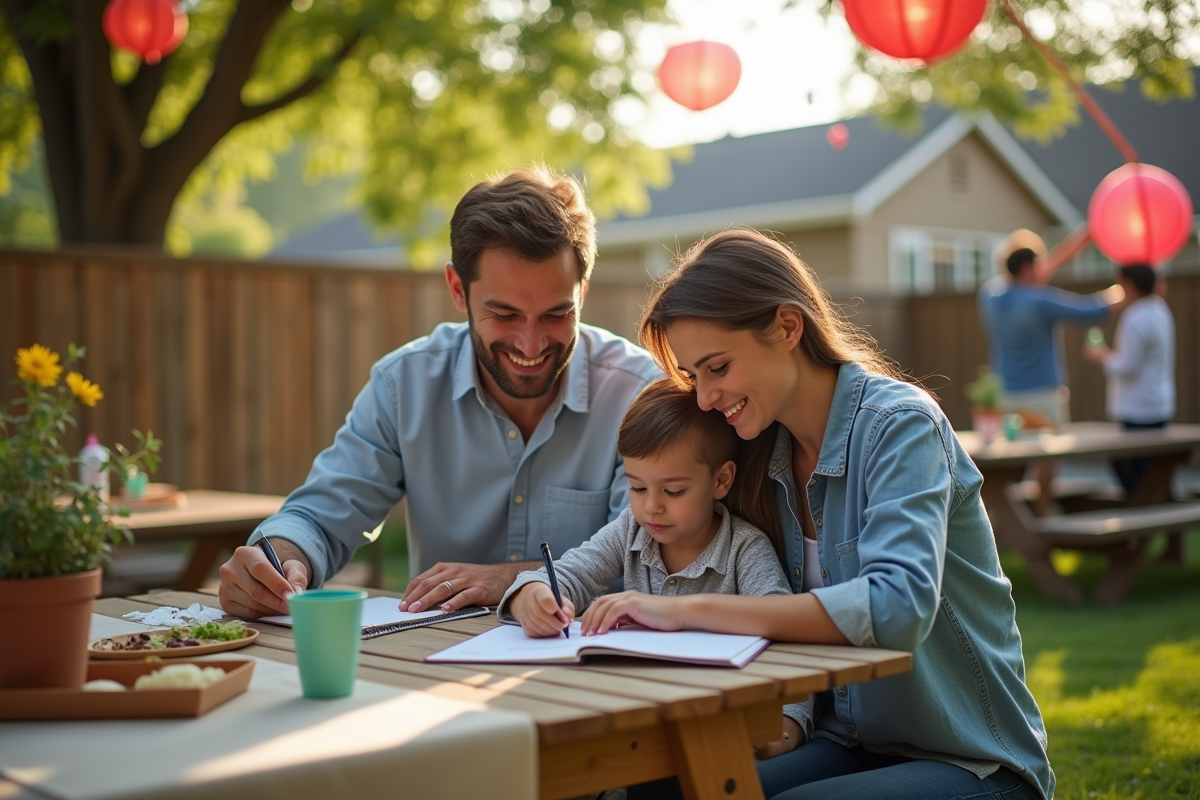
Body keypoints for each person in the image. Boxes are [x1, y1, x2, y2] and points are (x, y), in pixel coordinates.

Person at [592, 229, 1053, 800]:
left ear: (788, 327)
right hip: (845, 740)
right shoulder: (759, 451)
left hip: (970, 757)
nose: (704, 398)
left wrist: (687, 612)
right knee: (664, 785)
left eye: (717, 368)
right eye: (694, 377)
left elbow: (899, 603)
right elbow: (647, 531)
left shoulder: (899, 426)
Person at [218, 166, 661, 619]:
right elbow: (320, 515)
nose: (531, 343)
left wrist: (505, 579)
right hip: (428, 664)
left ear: (582, 292)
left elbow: (648, 560)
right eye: (504, 315)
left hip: (596, 669)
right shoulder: (403, 386)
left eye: (556, 314)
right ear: (457, 289)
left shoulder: (638, 395)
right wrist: (279, 560)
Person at [498, 378, 793, 639]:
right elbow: (568, 574)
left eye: (674, 491)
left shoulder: (744, 548)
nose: (651, 507)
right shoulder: (631, 530)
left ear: (721, 480)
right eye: (637, 488)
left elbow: (781, 623)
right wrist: (533, 599)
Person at [978, 227, 1124, 515]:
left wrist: (1084, 238)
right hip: (1043, 395)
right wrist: (1130, 289)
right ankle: (1042, 511)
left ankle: (1007, 519)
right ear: (1028, 268)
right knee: (1049, 459)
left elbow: (1029, 277)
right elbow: (1092, 310)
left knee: (1008, 461)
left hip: (1006, 395)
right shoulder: (1040, 302)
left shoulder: (989, 296)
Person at [1083, 263, 1179, 559]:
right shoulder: (1160, 309)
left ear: (1130, 284)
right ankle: (1169, 540)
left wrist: (1101, 357)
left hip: (1137, 407)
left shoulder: (1136, 317)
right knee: (1159, 471)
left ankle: (1145, 532)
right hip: (1159, 402)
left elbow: (1127, 365)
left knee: (1133, 469)